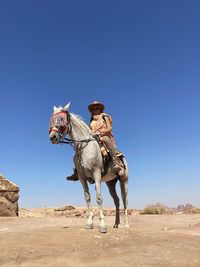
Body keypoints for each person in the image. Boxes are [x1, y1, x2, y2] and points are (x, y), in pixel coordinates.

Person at [67, 101, 121, 181]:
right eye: (94, 108)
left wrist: (100, 132)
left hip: (104, 135)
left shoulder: (104, 116)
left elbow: (109, 128)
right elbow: (90, 130)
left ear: (100, 109)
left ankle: (115, 162)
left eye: (97, 108)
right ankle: (77, 171)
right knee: (79, 149)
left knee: (106, 140)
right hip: (94, 137)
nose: (95, 109)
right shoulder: (91, 119)